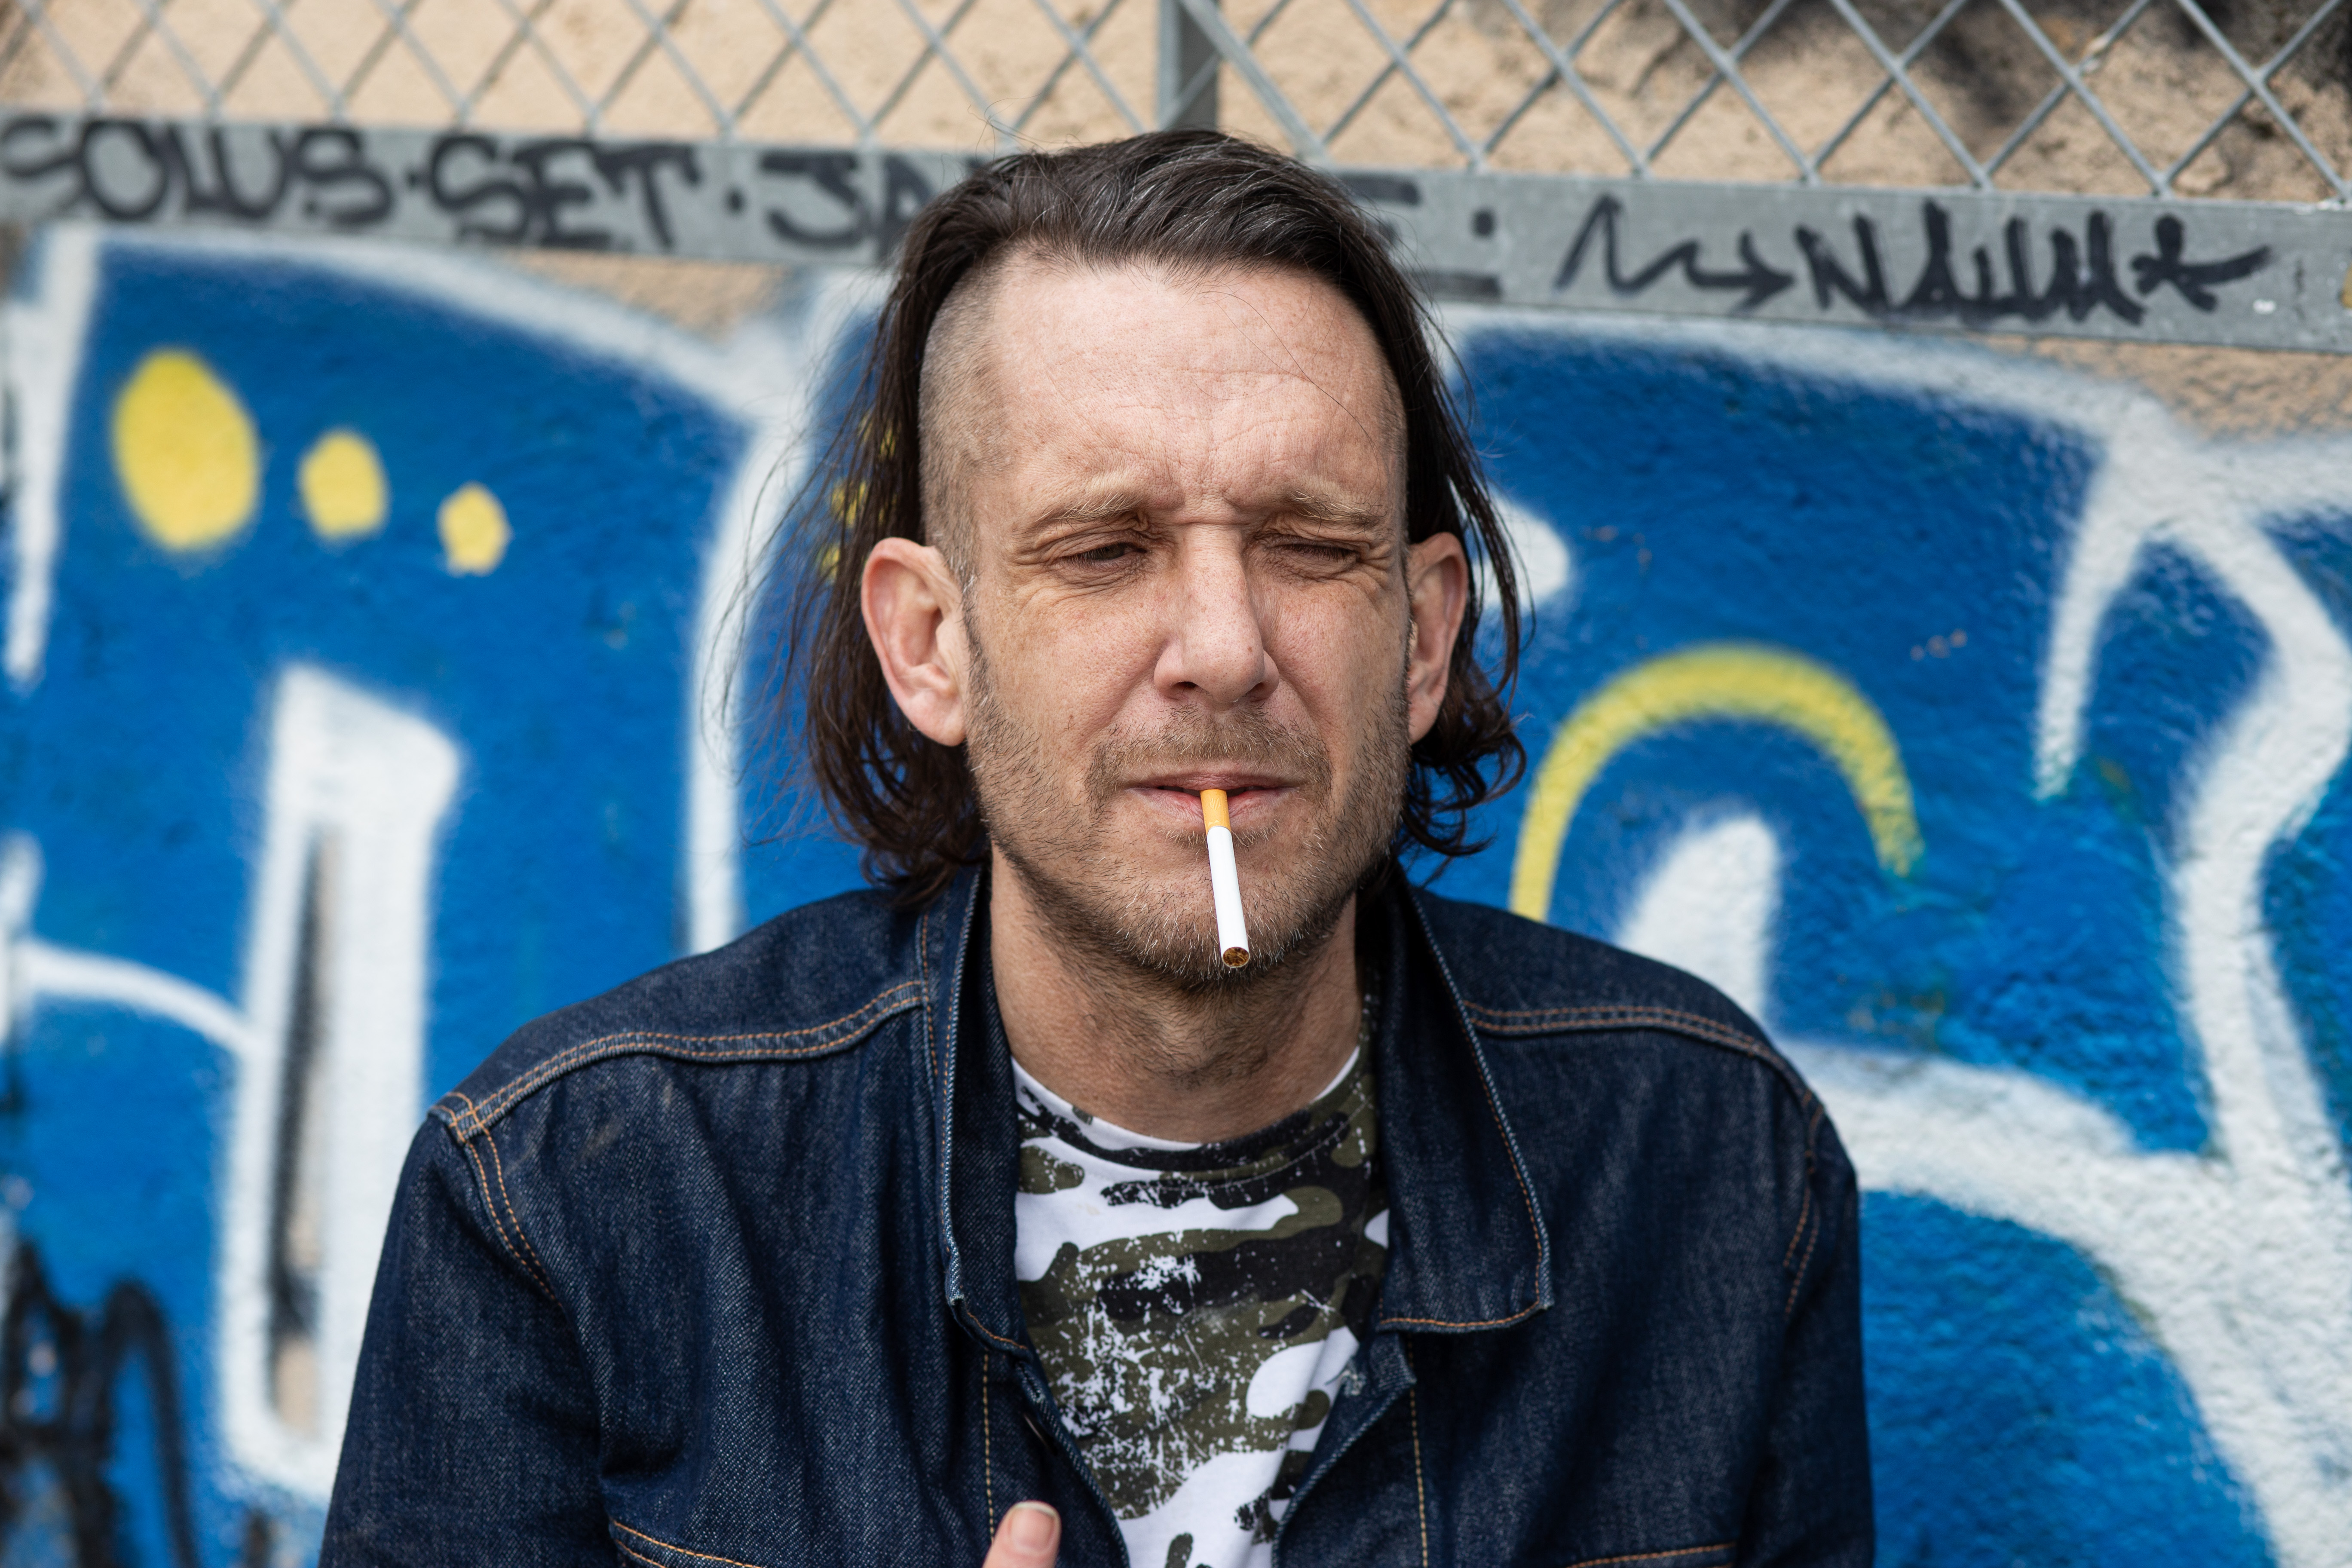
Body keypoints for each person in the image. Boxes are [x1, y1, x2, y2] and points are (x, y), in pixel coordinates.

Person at [321, 130, 1871, 1568]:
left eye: (1309, 546)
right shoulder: (576, 1199)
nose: (1223, 648)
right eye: (1106, 550)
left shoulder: (1711, 1165)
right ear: (932, 644)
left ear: (1419, 639)